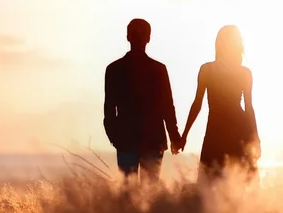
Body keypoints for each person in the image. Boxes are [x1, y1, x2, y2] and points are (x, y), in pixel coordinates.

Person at [103, 18, 183, 181]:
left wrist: (174, 135)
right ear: (128, 37)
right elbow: (109, 109)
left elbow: (167, 105)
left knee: (146, 193)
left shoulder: (157, 69)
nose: (138, 38)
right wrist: (114, 136)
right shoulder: (115, 70)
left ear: (147, 38)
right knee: (135, 193)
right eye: (135, 34)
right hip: (130, 140)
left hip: (148, 141)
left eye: (141, 34)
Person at [179, 25, 260, 182]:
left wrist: (185, 135)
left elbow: (197, 104)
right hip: (226, 130)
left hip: (223, 130)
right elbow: (248, 108)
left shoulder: (209, 69)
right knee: (228, 180)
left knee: (215, 180)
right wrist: (184, 135)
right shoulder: (241, 73)